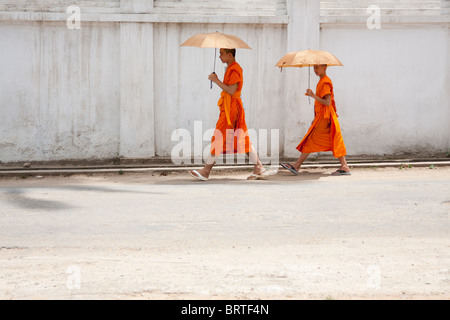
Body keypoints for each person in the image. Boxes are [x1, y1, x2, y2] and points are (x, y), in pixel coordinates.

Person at [189, 48, 273, 181]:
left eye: (221, 53)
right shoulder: (231, 68)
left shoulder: (234, 69)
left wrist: (216, 80)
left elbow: (232, 91)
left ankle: (206, 171)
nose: (219, 56)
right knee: (242, 137)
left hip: (232, 109)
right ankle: (258, 167)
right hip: (231, 107)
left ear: (229, 55)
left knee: (219, 136)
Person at [281, 64, 350, 176]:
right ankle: (344, 166)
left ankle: (297, 165)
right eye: (314, 68)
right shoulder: (322, 81)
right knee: (334, 139)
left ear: (325, 67)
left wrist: (312, 95)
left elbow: (327, 102)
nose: (315, 70)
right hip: (322, 117)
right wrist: (315, 118)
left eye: (317, 67)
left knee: (312, 138)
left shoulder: (325, 81)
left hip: (325, 117)